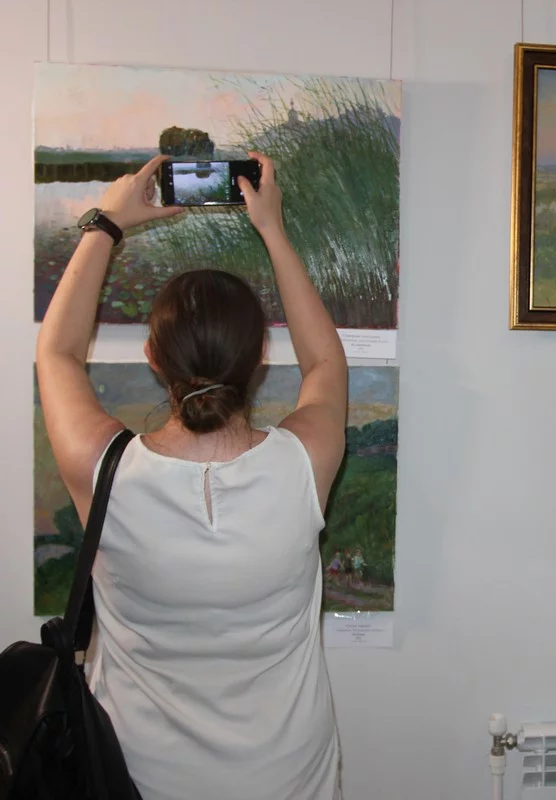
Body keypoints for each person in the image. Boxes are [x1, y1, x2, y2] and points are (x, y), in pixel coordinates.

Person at [36, 153, 348, 800]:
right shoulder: (301, 465)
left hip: (138, 779)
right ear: (260, 357)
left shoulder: (105, 472)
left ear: (153, 357)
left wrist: (106, 223)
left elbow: (57, 353)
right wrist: (273, 228)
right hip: (288, 780)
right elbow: (325, 361)